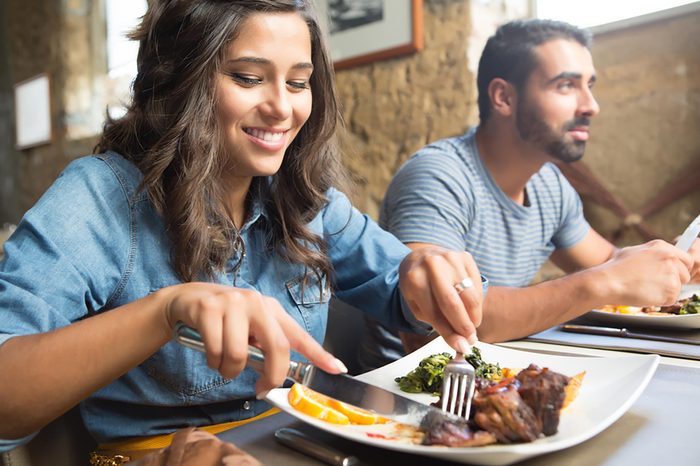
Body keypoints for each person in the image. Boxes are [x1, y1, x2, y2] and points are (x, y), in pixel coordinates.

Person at [0, 0, 485, 463]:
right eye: (249, 78)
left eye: (298, 83)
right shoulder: (98, 196)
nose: (281, 107)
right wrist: (165, 312)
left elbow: (405, 291)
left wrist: (427, 277)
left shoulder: (303, 198)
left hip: (309, 443)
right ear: (179, 78)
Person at [358, 18, 698, 371]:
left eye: (590, 86)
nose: (591, 106)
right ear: (503, 97)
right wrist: (606, 281)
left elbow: (613, 264)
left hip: (499, 376)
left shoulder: (549, 184)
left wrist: (676, 261)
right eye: (566, 86)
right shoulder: (438, 177)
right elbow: (446, 315)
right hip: (403, 394)